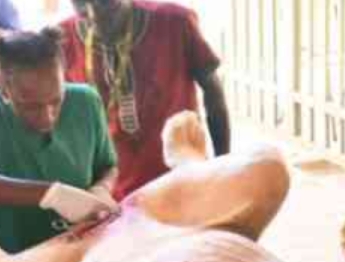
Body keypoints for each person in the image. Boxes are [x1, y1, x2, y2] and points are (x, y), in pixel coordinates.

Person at [0, 27, 118, 255]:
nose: (48, 117)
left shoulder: (85, 102)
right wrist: (51, 194)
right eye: (30, 106)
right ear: (3, 90)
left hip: (82, 253)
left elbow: (107, 165)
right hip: (12, 260)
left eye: (56, 101)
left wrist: (102, 188)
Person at [59, 0, 230, 199]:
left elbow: (213, 92)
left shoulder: (175, 22)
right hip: (112, 192)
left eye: (105, 2)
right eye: (80, 2)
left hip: (180, 179)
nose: (93, 13)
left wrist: (222, 168)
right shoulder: (63, 39)